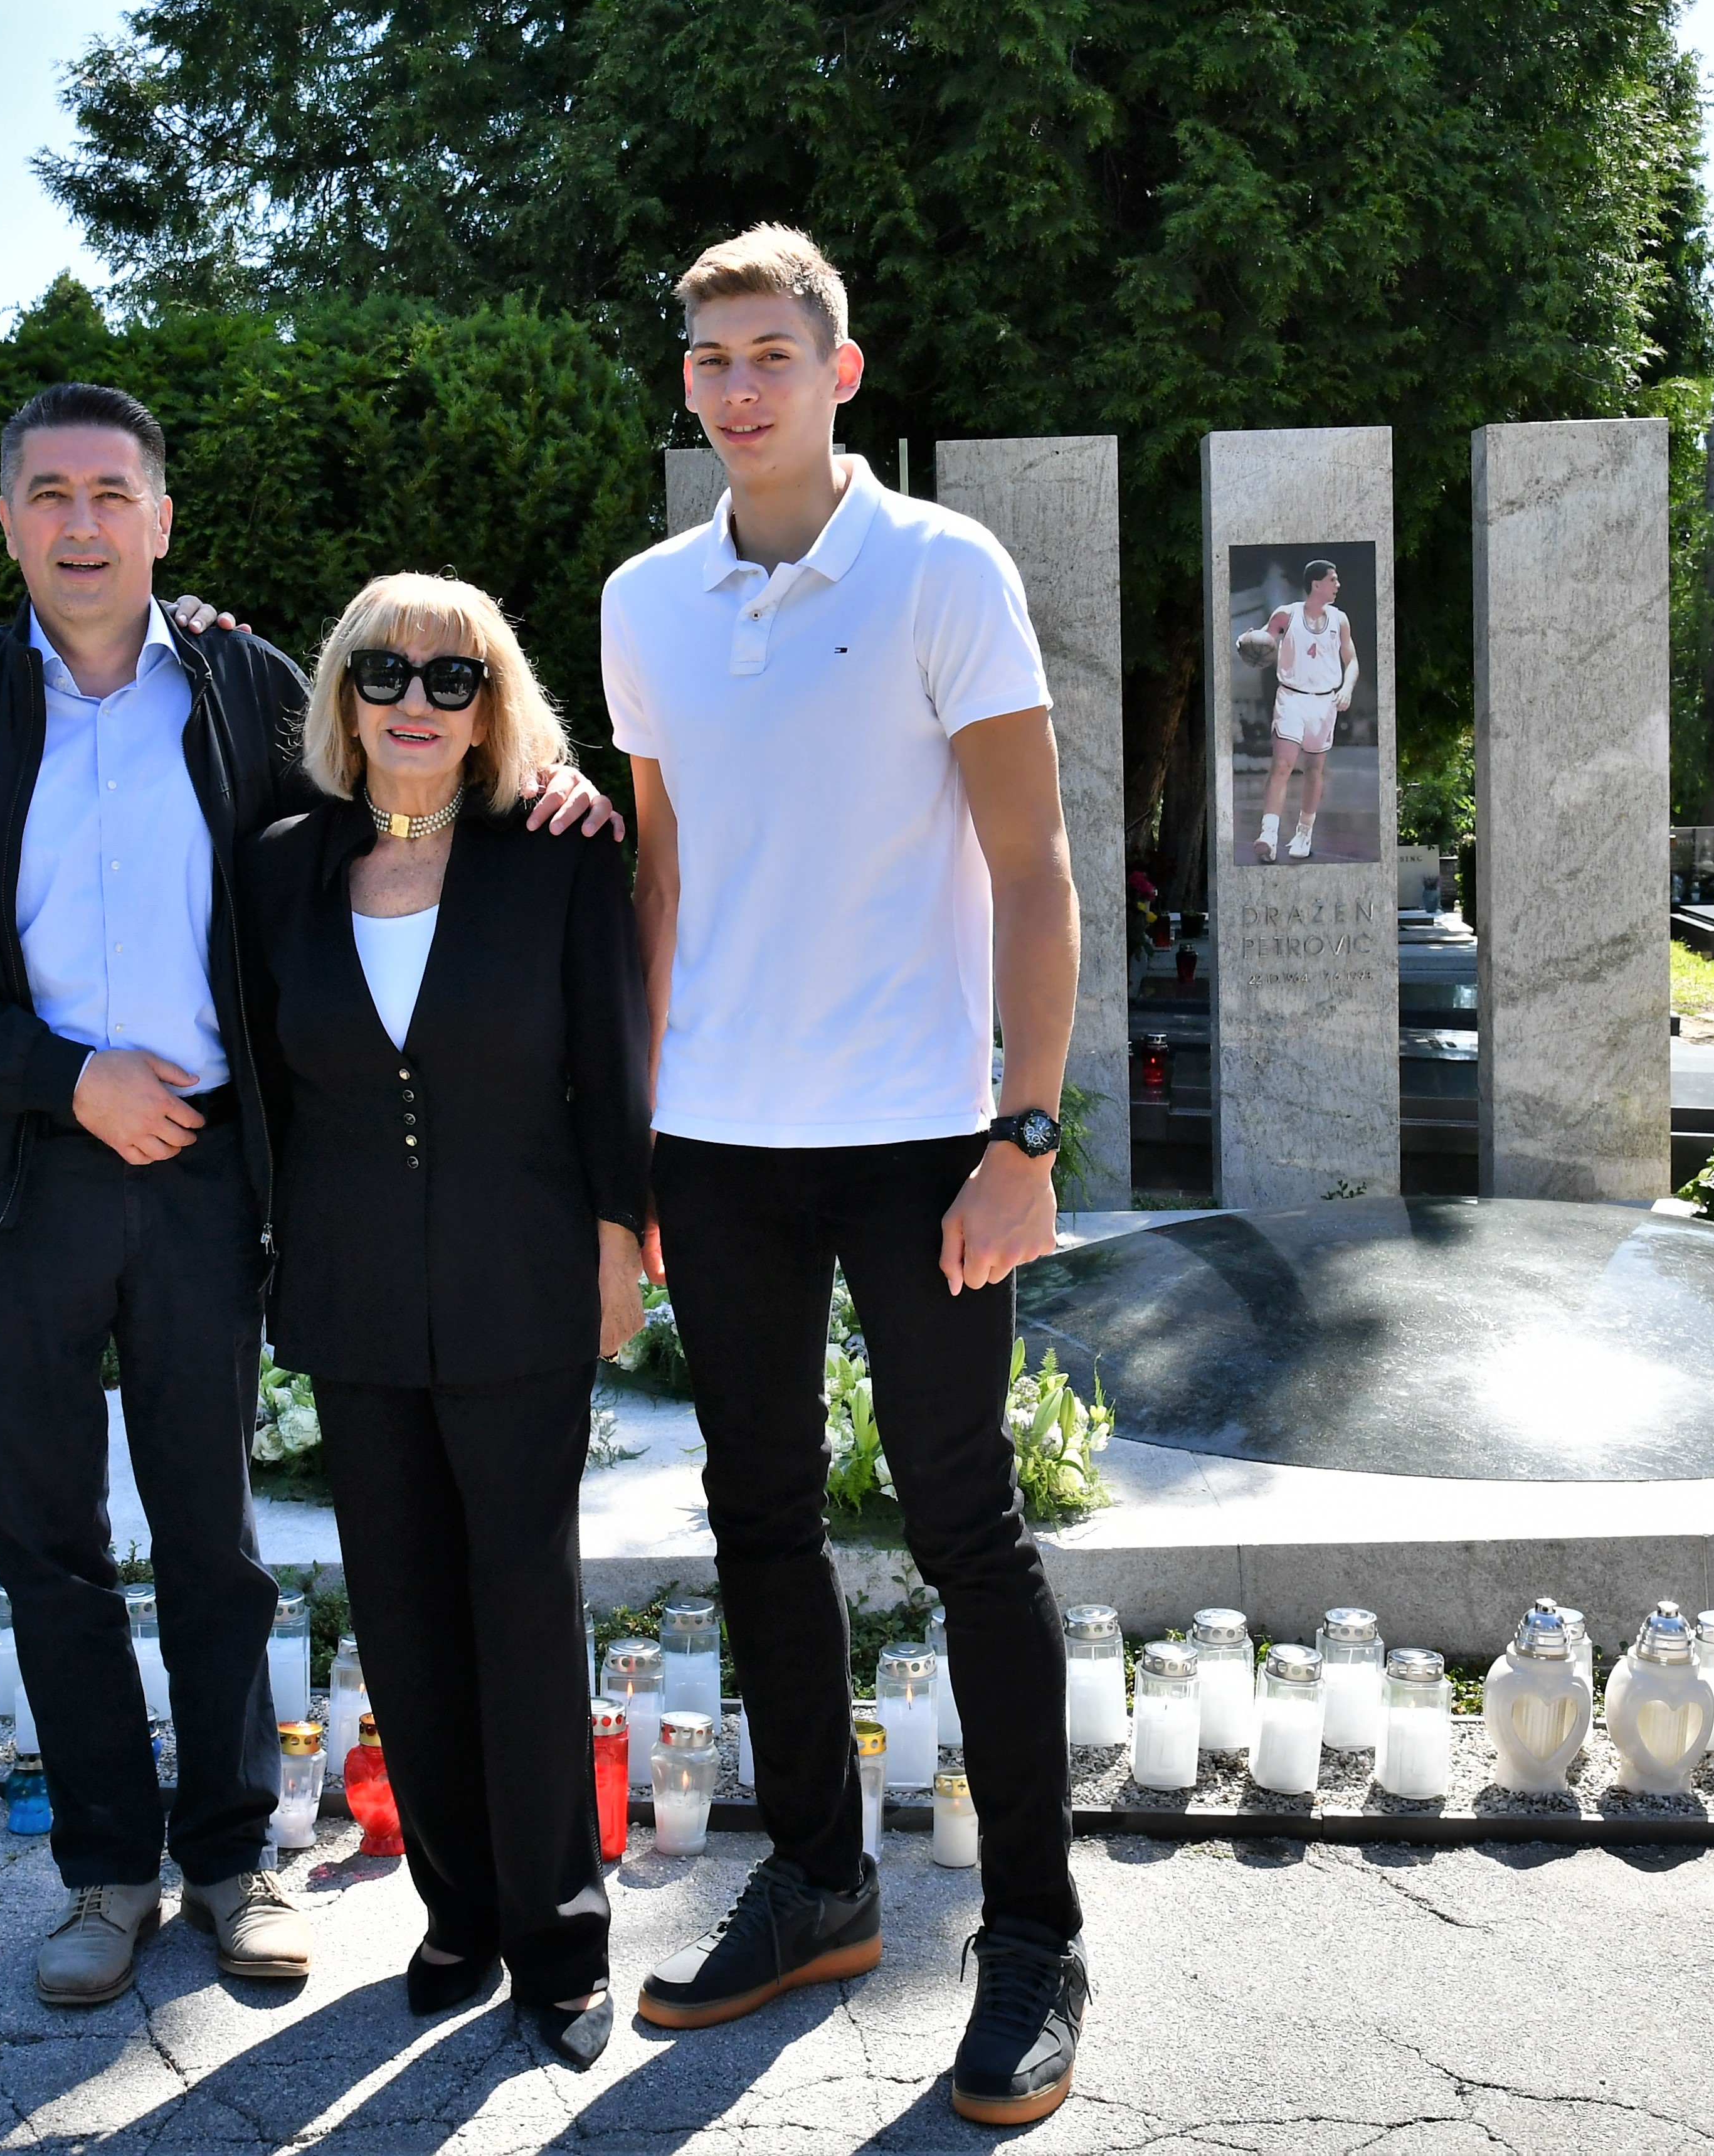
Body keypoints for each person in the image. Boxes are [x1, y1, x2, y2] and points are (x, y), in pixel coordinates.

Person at [0, 385, 615, 2007]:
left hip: (203, 1173)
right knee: (46, 1533)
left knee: (212, 1533)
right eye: (49, 492)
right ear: (6, 519)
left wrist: (551, 796)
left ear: (162, 519)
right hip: (18, 1176)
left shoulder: (240, 682)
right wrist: (60, 1077)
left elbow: (389, 793)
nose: (82, 522)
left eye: (112, 491)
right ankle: (105, 1868)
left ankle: (233, 1854)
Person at [603, 226, 1092, 2124]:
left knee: (965, 1526)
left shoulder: (939, 570)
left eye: (769, 354)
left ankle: (1032, 1937)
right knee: (758, 1517)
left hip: (917, 1142)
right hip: (720, 1142)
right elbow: (659, 878)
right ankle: (817, 1884)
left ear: (839, 373)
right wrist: (631, 1149)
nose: (737, 388)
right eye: (709, 358)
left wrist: (1023, 1134)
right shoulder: (646, 601)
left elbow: (1034, 868)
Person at [236, 573, 651, 2068]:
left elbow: (610, 1064)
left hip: (519, 1285)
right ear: (343, 696)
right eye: (384, 672)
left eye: (451, 678)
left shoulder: (557, 858)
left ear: (490, 710)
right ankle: (457, 1910)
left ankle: (559, 1934)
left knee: (522, 1609)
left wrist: (620, 1244)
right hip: (351, 1297)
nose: (414, 699)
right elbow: (264, 1087)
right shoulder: (279, 868)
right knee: (403, 1617)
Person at [1238, 558, 1358, 861]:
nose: (1338, 585)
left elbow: (1352, 661)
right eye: (1333, 580)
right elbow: (1263, 641)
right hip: (1291, 698)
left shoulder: (1340, 620)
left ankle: (1304, 834)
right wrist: (1247, 643)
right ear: (1317, 584)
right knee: (1282, 765)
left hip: (1325, 702)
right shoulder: (1285, 615)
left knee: (1314, 771)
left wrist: (1346, 688)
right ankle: (1268, 834)